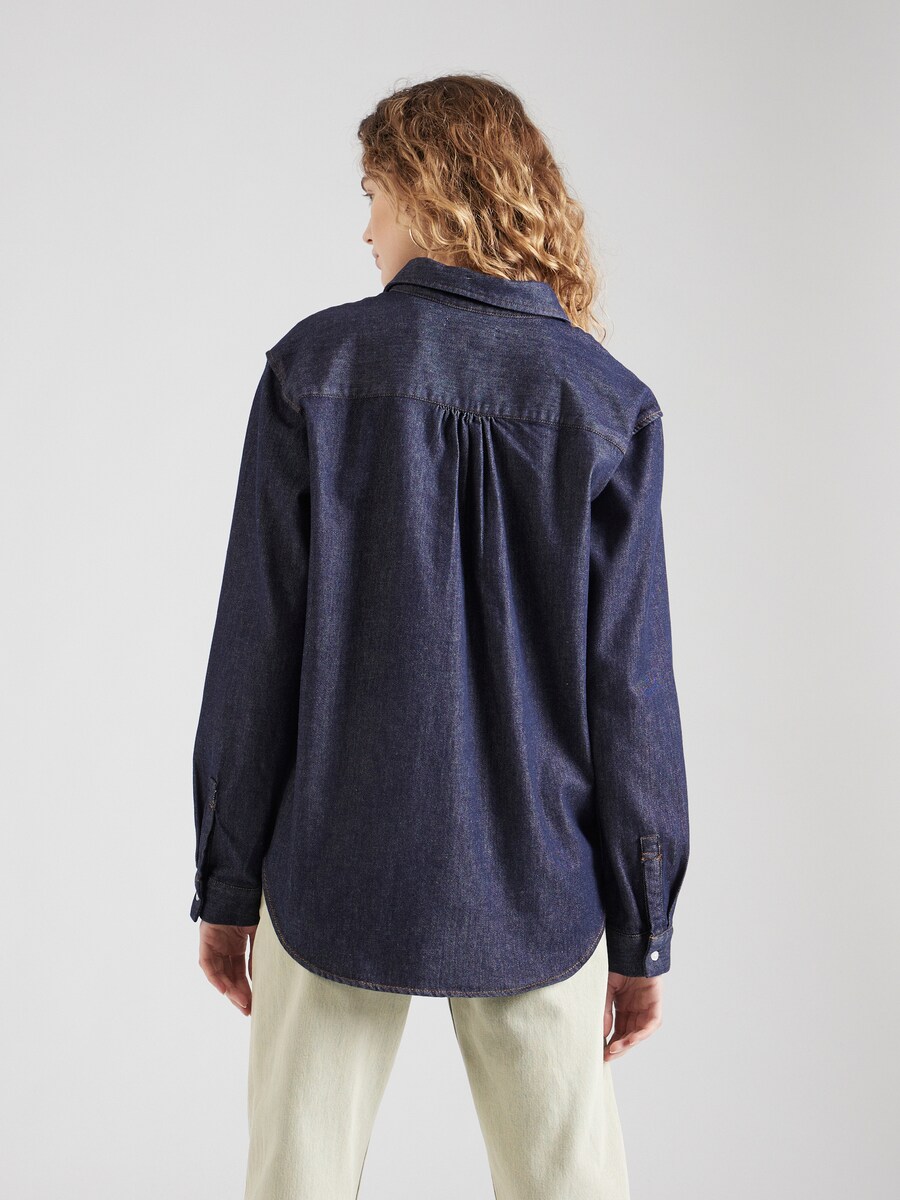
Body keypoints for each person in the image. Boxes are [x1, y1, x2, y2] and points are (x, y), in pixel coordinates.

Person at [189, 73, 690, 1199]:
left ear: (431, 189)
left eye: (373, 193)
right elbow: (631, 694)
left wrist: (228, 884)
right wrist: (641, 922)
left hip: (326, 866)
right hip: (541, 882)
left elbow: (255, 656)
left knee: (295, 1180)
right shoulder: (608, 404)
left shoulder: (314, 370)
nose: (365, 229)